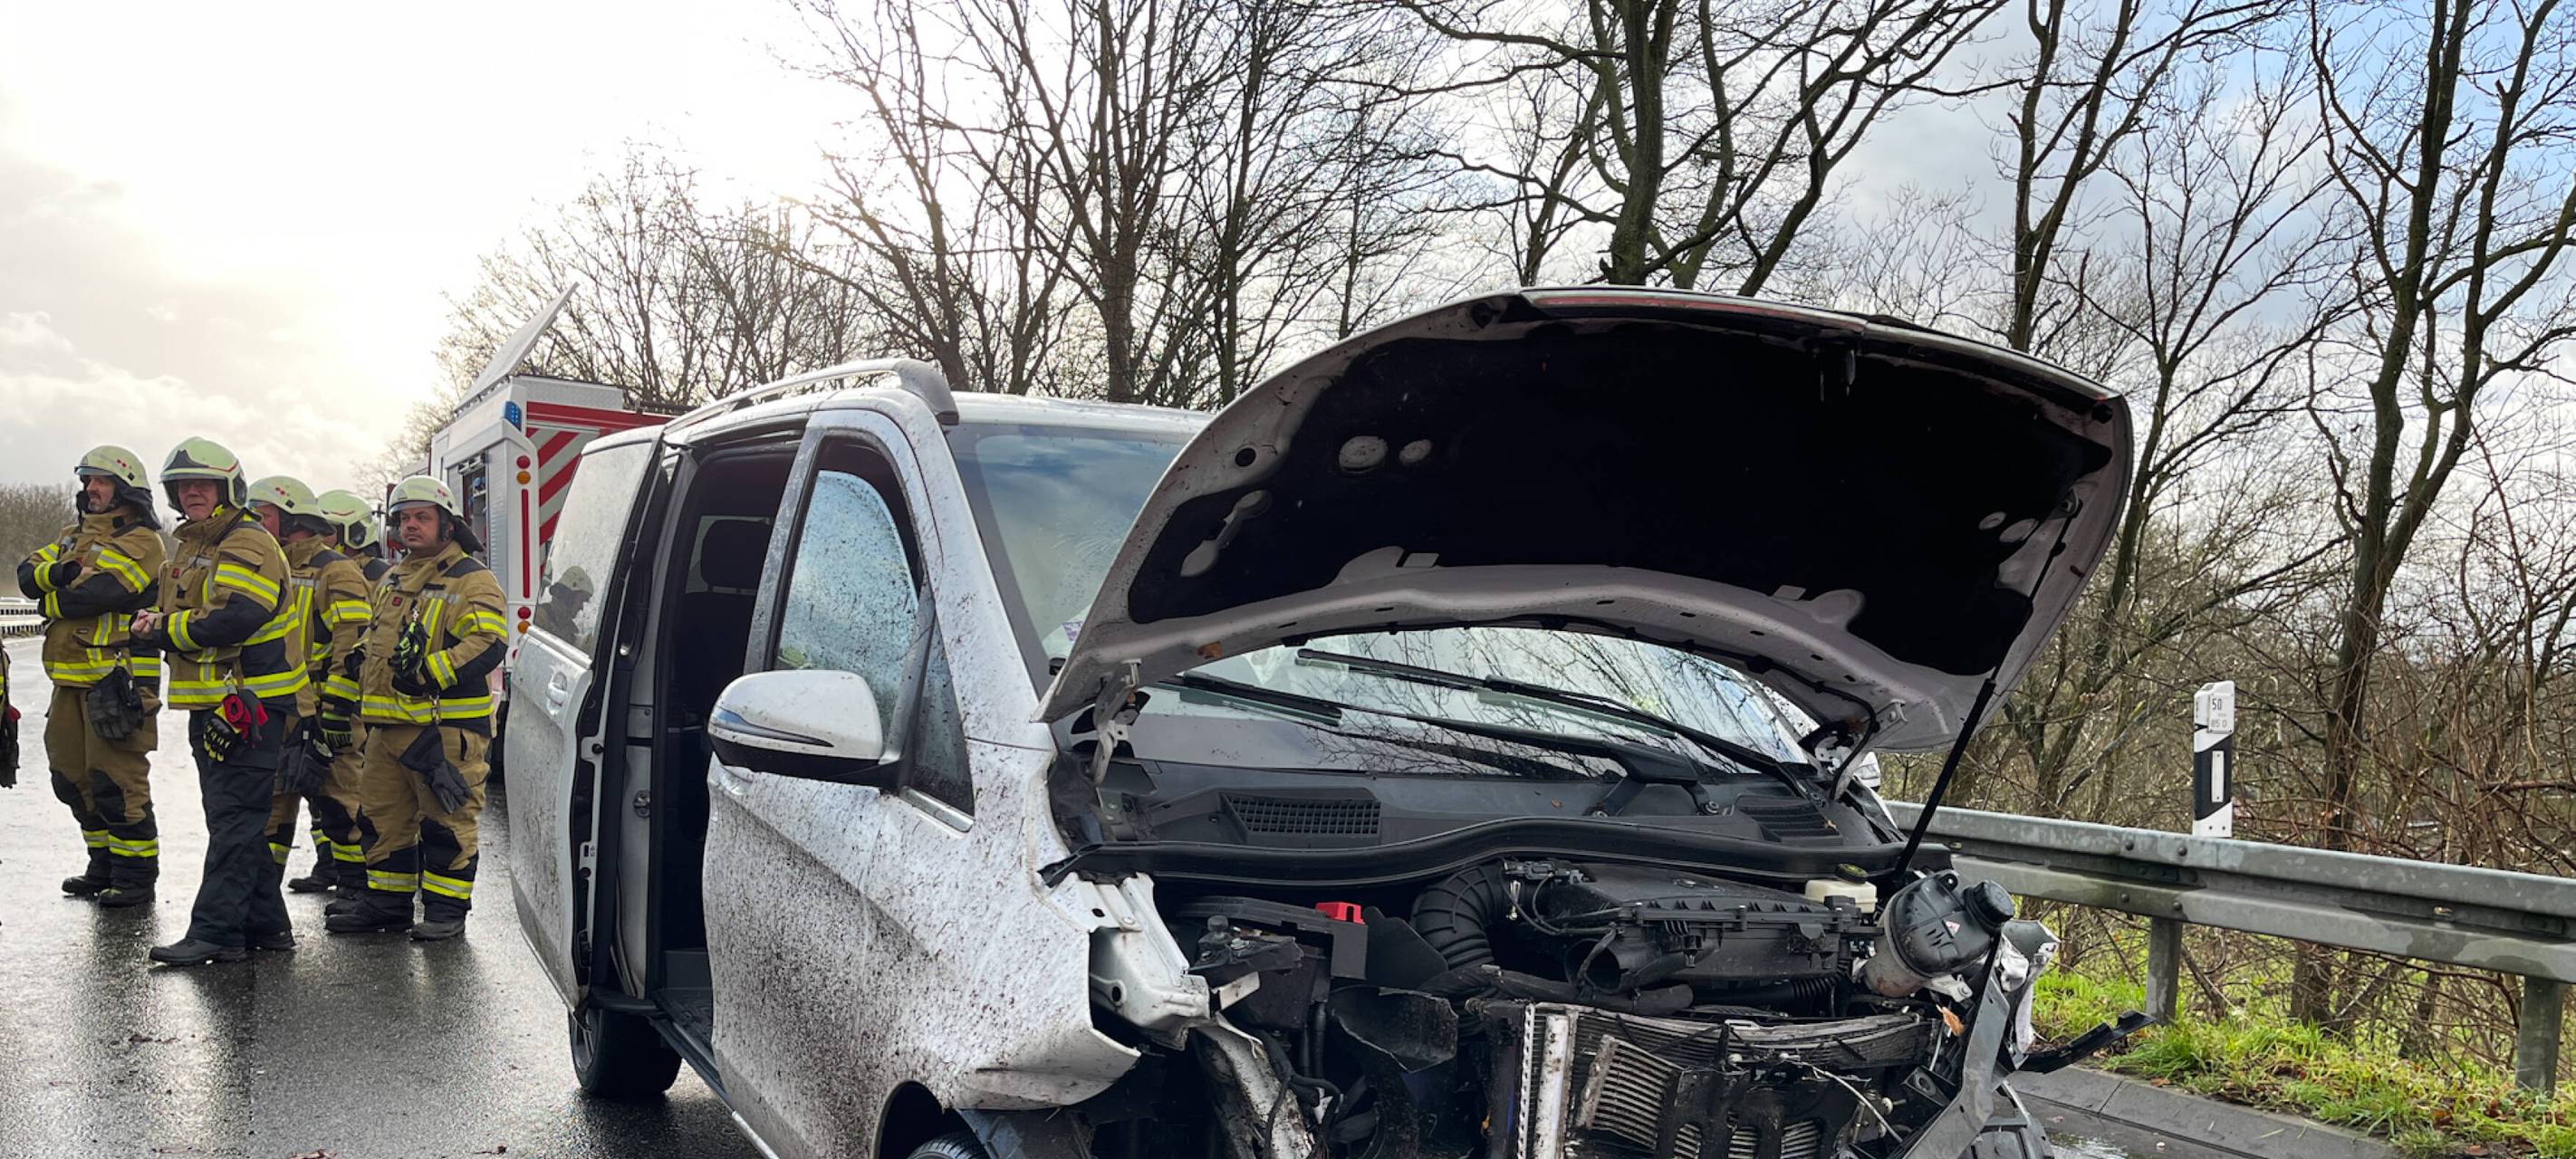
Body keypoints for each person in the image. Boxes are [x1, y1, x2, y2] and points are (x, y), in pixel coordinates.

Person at [128, 438, 305, 966]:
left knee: (235, 821)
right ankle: (267, 928)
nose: (193, 493)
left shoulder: (245, 541)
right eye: (184, 486)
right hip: (220, 705)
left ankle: (215, 933)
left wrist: (163, 629)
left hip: (251, 706)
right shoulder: (195, 544)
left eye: (204, 484)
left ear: (228, 488)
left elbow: (236, 616)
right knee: (234, 820)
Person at [325, 475, 505, 941]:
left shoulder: (471, 579)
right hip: (387, 729)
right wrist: (358, 662)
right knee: (381, 819)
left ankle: (446, 913)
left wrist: (428, 672)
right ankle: (387, 905)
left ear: (448, 524)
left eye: (422, 517)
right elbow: (378, 637)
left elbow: (488, 642)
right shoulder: (393, 577)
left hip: (443, 731)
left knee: (447, 822)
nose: (410, 526)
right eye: (403, 518)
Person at [13, 446, 167, 906]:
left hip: (116, 681)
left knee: (117, 783)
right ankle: (102, 864)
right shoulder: (71, 537)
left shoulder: (143, 542)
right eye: (86, 481)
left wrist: (52, 596)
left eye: (100, 481)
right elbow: (26, 575)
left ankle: (136, 878)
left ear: (126, 488)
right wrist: (61, 573)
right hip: (67, 680)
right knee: (70, 778)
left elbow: (100, 593)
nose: (90, 489)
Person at [245, 477, 373, 896]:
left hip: (323, 709)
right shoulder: (267, 565)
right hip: (278, 707)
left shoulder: (337, 570)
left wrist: (336, 710)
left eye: (262, 516)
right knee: (272, 807)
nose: (253, 524)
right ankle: (263, 900)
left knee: (340, 802)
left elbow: (352, 646)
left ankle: (356, 891)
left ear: (292, 519)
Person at [316, 489, 389, 584]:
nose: (317, 537)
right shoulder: (313, 567)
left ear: (356, 535)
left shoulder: (381, 576)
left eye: (326, 530)